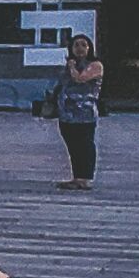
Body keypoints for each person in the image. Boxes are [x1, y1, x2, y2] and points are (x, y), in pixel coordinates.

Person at [48, 32, 104, 189]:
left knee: (85, 144)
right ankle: (77, 176)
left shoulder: (95, 65)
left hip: (85, 112)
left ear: (89, 48)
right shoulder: (67, 66)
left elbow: (80, 78)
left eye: (83, 45)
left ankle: (86, 178)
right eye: (76, 45)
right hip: (67, 112)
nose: (80, 48)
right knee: (72, 145)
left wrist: (72, 67)